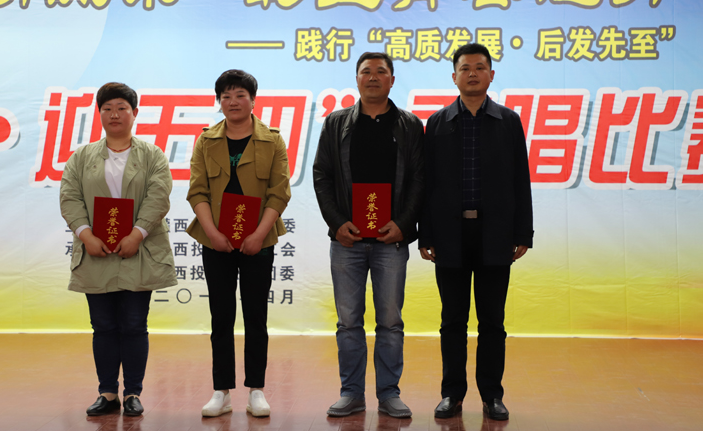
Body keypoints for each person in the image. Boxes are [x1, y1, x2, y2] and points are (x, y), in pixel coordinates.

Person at [419, 43, 533, 421]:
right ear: (454, 77)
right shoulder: (437, 123)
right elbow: (427, 184)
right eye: (465, 68)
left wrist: (523, 233)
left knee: (492, 323)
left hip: (495, 234)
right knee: (452, 321)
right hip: (449, 236)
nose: (472, 73)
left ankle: (492, 396)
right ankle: (452, 394)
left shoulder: (508, 121)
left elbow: (520, 180)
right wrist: (426, 235)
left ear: (491, 75)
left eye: (480, 67)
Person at [313, 52, 424, 419]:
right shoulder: (336, 123)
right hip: (347, 241)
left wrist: (404, 224)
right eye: (366, 72)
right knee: (348, 321)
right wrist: (337, 223)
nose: (373, 77)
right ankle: (351, 393)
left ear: (392, 79)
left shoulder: (409, 125)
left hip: (391, 241)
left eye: (381, 72)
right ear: (356, 78)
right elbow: (322, 175)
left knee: (390, 321)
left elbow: (420, 180)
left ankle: (389, 393)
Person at [60, 82, 177, 417]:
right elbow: (70, 197)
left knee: (134, 324)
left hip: (139, 251)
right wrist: (86, 235)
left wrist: (137, 234)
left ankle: (133, 393)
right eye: (107, 108)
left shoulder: (152, 155)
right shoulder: (81, 157)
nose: (115, 114)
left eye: (122, 108)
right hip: (95, 252)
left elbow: (159, 197)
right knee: (103, 325)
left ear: (134, 113)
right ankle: (108, 392)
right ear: (99, 114)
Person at [186, 69, 291, 418]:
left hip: (258, 239)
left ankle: (256, 390)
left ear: (253, 100)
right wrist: (212, 233)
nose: (233, 102)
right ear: (219, 102)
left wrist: (259, 234)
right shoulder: (206, 141)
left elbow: (279, 192)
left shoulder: (272, 140)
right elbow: (197, 191)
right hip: (215, 239)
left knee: (256, 316)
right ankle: (222, 391)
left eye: (240, 95)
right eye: (226, 96)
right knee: (221, 316)